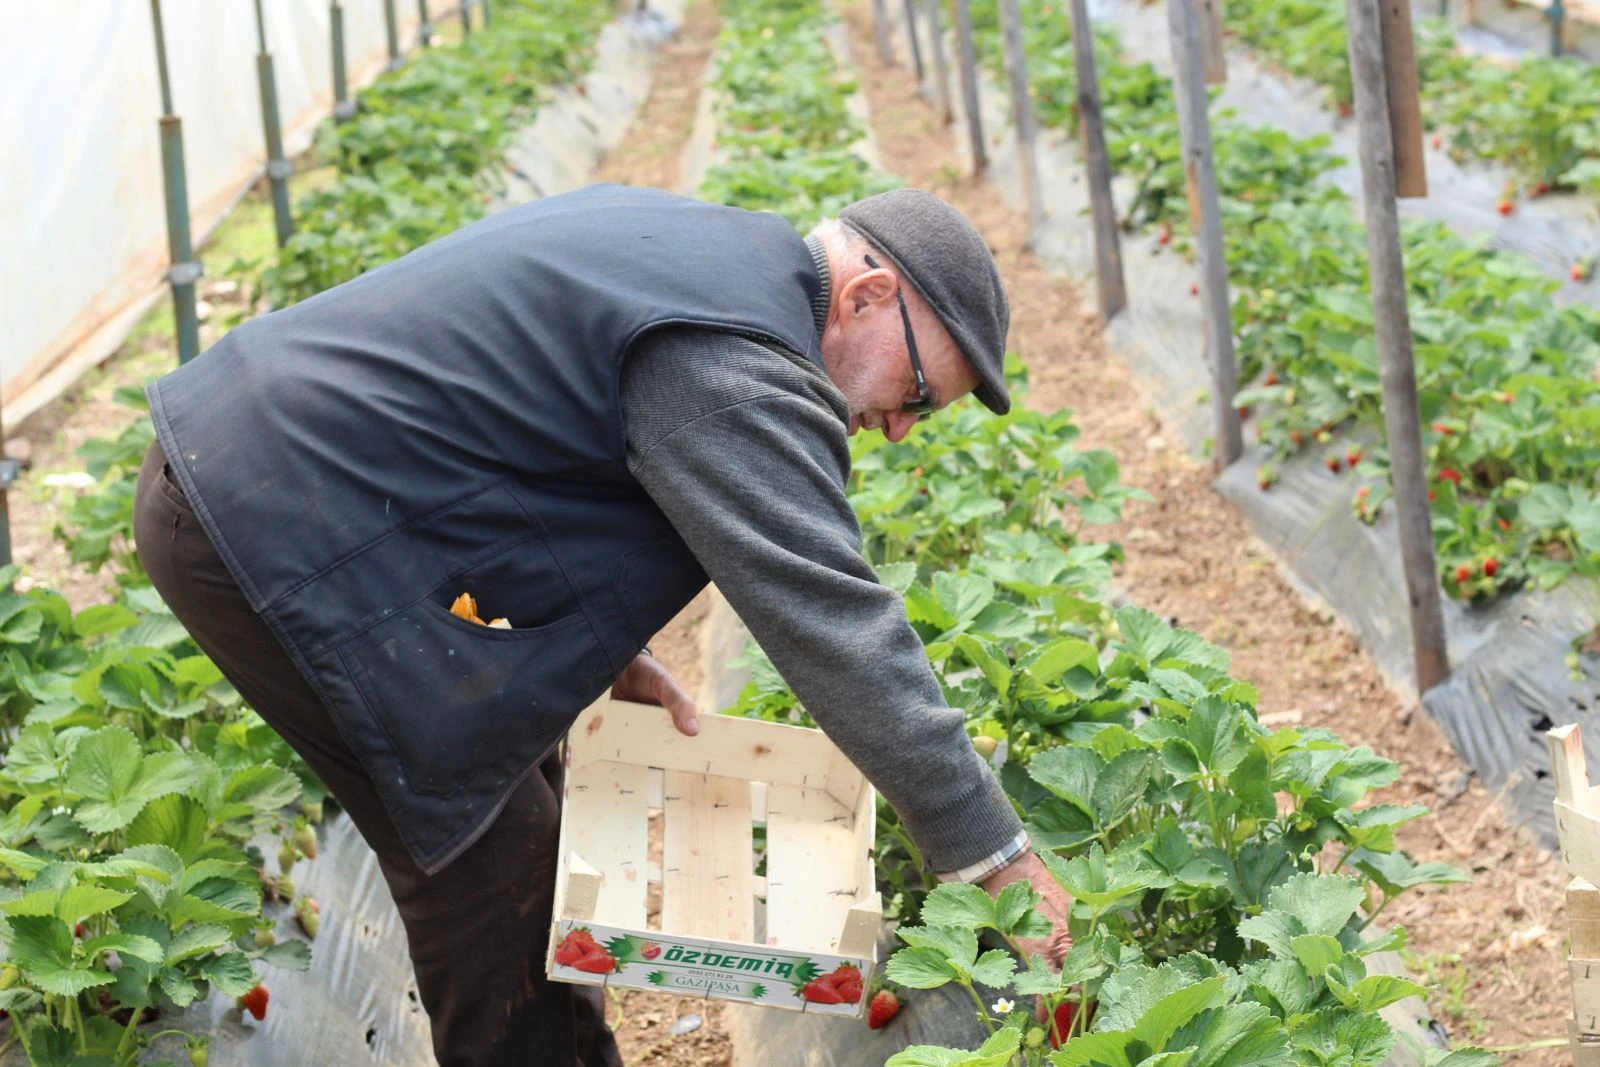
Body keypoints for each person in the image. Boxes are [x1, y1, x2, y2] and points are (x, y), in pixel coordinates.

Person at [132, 183, 1071, 1067]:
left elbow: (510, 443)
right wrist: (993, 852)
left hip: (293, 475)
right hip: (268, 516)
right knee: (486, 869)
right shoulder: (739, 362)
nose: (901, 428)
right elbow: (834, 623)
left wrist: (615, 655)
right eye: (915, 395)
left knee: (516, 790)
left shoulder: (712, 259)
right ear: (866, 296)